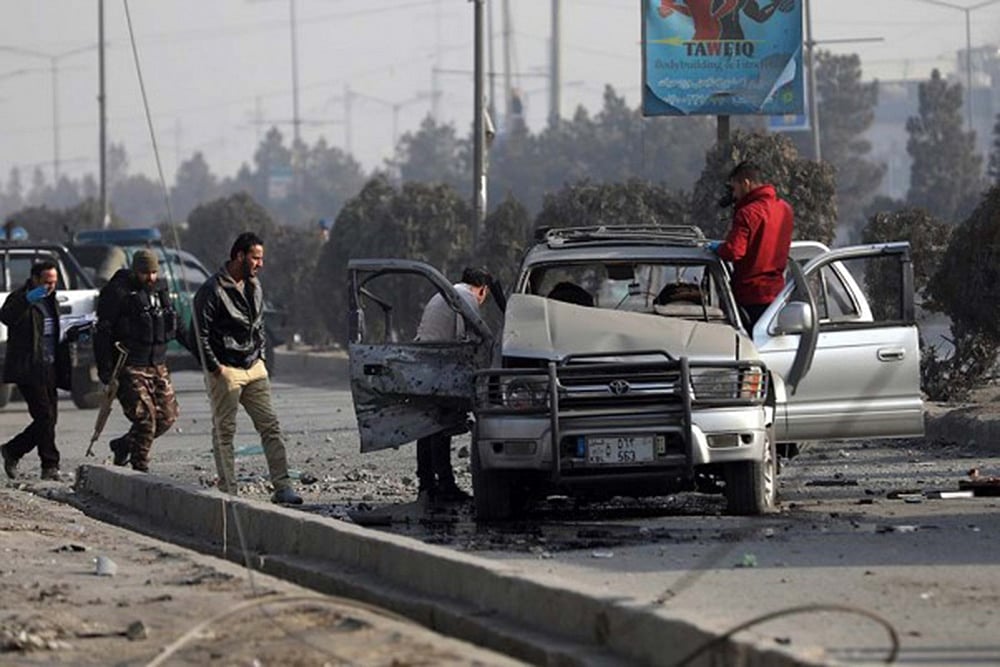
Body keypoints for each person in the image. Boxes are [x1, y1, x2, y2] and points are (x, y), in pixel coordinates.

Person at [193, 232, 302, 506]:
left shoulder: (254, 286)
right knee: (224, 433)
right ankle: (229, 492)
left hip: (254, 368)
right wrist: (217, 369)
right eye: (255, 257)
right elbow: (198, 334)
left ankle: (283, 486)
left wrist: (261, 357)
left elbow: (259, 326)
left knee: (271, 426)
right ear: (239, 256)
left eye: (261, 258)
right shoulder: (212, 290)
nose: (259, 264)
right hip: (225, 371)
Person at [94, 249, 179, 472]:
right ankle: (140, 468)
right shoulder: (118, 293)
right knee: (145, 419)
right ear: (135, 271)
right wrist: (105, 371)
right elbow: (102, 333)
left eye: (153, 272)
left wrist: (204, 358)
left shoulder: (160, 291)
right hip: (130, 365)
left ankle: (123, 445)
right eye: (145, 273)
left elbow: (176, 325)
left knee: (167, 417)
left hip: (157, 364)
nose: (150, 278)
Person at [413, 266, 492, 503]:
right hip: (440, 365)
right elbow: (464, 338)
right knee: (442, 427)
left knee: (427, 428)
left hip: (424, 362)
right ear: (483, 290)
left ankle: (427, 485)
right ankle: (445, 486)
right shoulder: (466, 298)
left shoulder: (447, 292)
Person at [0, 260, 69, 480]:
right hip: (28, 366)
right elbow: (7, 317)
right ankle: (50, 466)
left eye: (54, 282)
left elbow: (53, 332)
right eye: (47, 282)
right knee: (45, 417)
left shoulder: (51, 301)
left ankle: (13, 450)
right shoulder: (20, 297)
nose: (51, 286)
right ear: (35, 279)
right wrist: (27, 301)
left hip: (49, 365)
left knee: (50, 419)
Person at [708, 161, 794, 329]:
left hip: (750, 295)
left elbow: (733, 252)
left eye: (734, 189)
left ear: (745, 183)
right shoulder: (785, 209)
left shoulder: (747, 213)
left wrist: (719, 248)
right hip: (777, 295)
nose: (734, 195)